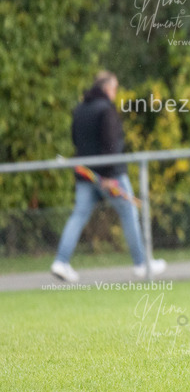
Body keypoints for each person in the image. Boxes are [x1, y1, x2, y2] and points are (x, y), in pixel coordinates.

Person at [51, 71, 166, 282]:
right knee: (129, 213)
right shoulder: (106, 110)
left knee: (78, 215)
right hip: (110, 175)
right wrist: (107, 175)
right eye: (114, 88)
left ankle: (61, 261)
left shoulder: (80, 109)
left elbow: (76, 140)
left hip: (86, 174)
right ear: (106, 88)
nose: (115, 92)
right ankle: (141, 264)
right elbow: (112, 145)